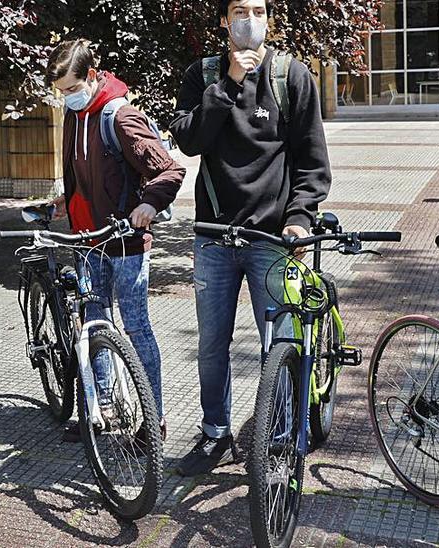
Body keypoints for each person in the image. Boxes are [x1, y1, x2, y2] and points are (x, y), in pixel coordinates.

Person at [169, 0, 331, 477]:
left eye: (258, 10)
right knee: (212, 342)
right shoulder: (201, 75)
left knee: (279, 342)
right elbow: (189, 139)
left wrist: (300, 217)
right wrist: (229, 86)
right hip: (215, 234)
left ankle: (280, 437)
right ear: (224, 20)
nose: (250, 19)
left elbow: (311, 158)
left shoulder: (291, 75)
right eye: (240, 10)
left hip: (273, 237)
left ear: (269, 19)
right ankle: (215, 433)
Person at [44, 39, 184, 442]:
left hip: (123, 242)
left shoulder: (120, 116)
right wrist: (66, 201)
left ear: (91, 76)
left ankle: (151, 422)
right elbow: (85, 171)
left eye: (72, 89)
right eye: (61, 92)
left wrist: (150, 205)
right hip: (87, 240)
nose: (67, 98)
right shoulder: (75, 115)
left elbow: (169, 171)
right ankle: (100, 409)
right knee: (93, 323)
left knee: (136, 326)